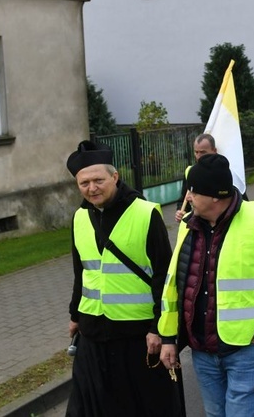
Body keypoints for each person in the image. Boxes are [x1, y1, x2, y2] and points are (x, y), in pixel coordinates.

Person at [159, 154, 254, 417]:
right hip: (201, 348)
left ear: (214, 196)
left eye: (193, 191)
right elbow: (178, 286)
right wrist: (169, 338)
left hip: (245, 348)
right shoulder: (188, 225)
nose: (188, 197)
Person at [65, 140, 184, 416]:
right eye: (84, 183)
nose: (91, 188)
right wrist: (74, 315)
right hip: (93, 332)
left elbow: (165, 279)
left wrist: (160, 330)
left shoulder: (145, 213)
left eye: (98, 180)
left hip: (138, 336)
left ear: (115, 177)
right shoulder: (79, 217)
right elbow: (80, 271)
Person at [175, 134, 218, 223]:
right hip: (196, 224)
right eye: (196, 152)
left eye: (203, 152)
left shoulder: (223, 173)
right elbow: (183, 199)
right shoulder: (189, 172)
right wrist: (180, 212)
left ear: (214, 151)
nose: (198, 156)